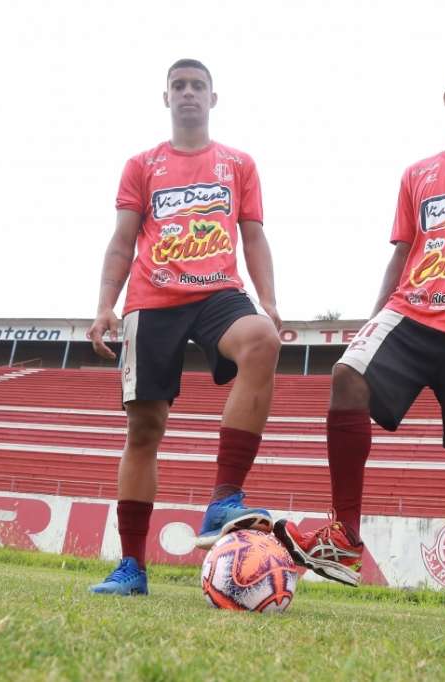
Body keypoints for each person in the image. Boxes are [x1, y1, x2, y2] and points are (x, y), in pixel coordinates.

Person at [274, 56, 445, 625]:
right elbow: (402, 253)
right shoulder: (418, 175)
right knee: (347, 374)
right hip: (414, 311)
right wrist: (373, 318)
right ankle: (343, 534)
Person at [87, 59, 282, 595]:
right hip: (152, 300)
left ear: (212, 98)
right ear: (166, 97)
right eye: (179, 85)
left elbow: (254, 236)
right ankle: (131, 566)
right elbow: (122, 241)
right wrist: (105, 305)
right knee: (144, 429)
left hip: (218, 291)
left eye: (198, 85)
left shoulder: (238, 164)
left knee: (262, 339)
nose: (188, 92)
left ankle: (223, 500)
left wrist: (267, 300)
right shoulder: (141, 165)